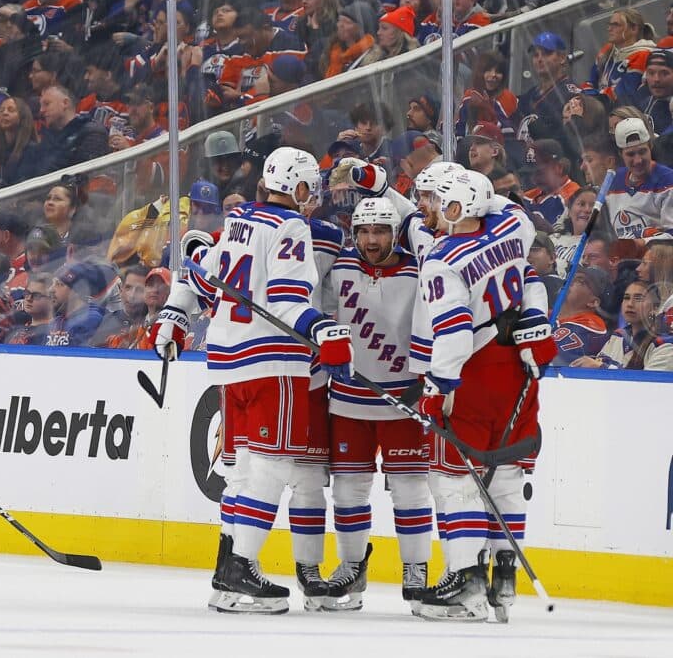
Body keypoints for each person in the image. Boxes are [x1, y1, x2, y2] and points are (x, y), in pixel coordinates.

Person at [149, 147, 352, 614]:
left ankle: (226, 572)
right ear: (300, 189)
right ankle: (242, 569)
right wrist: (324, 331)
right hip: (270, 362)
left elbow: (201, 276)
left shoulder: (240, 220)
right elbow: (284, 301)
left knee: (241, 472)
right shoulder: (290, 227)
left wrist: (174, 316)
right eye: (310, 187)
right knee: (273, 467)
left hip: (227, 360)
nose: (313, 195)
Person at [413, 169, 556, 622]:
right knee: (507, 476)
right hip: (518, 368)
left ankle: (466, 582)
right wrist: (537, 324)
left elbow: (453, 334)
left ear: (457, 209)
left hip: (471, 374)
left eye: (439, 201)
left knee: (455, 480)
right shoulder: (515, 226)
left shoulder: (443, 258)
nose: (431, 208)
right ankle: (504, 578)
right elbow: (532, 278)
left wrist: (438, 389)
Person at [322, 197, 430, 614]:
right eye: (365, 231)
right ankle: (352, 567)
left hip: (403, 398)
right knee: (349, 489)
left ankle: (416, 570)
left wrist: (423, 381)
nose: (372, 239)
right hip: (349, 398)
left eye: (381, 231)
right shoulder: (341, 267)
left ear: (395, 233)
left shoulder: (417, 270)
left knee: (410, 488)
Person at [573, 280, 673, 371]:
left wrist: (601, 367)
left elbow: (649, 386)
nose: (630, 304)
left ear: (655, 308)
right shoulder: (618, 336)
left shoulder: (665, 345)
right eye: (626, 298)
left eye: (638, 298)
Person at [606, 117, 673, 239]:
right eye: (630, 154)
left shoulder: (668, 180)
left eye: (642, 152)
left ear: (650, 146)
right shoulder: (613, 180)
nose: (638, 160)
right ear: (620, 154)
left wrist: (643, 240)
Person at [37, 85, 109, 173]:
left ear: (65, 103)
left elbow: (90, 175)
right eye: (41, 106)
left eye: (46, 104)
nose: (41, 110)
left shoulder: (92, 132)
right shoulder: (46, 140)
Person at [551, 266, 611, 365]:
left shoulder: (588, 331)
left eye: (580, 281)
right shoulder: (552, 318)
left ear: (593, 302)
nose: (569, 282)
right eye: (570, 277)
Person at [0, 96, 40, 189]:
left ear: (22, 117)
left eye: (11, 110)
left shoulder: (31, 150)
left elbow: (22, 185)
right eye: (1, 110)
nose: (5, 113)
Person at [521, 139, 579, 232]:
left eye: (540, 173)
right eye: (530, 174)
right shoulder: (528, 196)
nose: (534, 179)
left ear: (559, 167)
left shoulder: (574, 197)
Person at [45, 261, 106, 347]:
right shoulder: (55, 322)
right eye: (52, 284)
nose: (50, 289)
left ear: (78, 291)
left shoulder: (90, 319)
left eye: (59, 284)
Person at [323, 1, 374, 79]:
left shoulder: (371, 57)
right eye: (339, 20)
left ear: (362, 29)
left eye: (347, 22)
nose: (340, 25)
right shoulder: (331, 51)